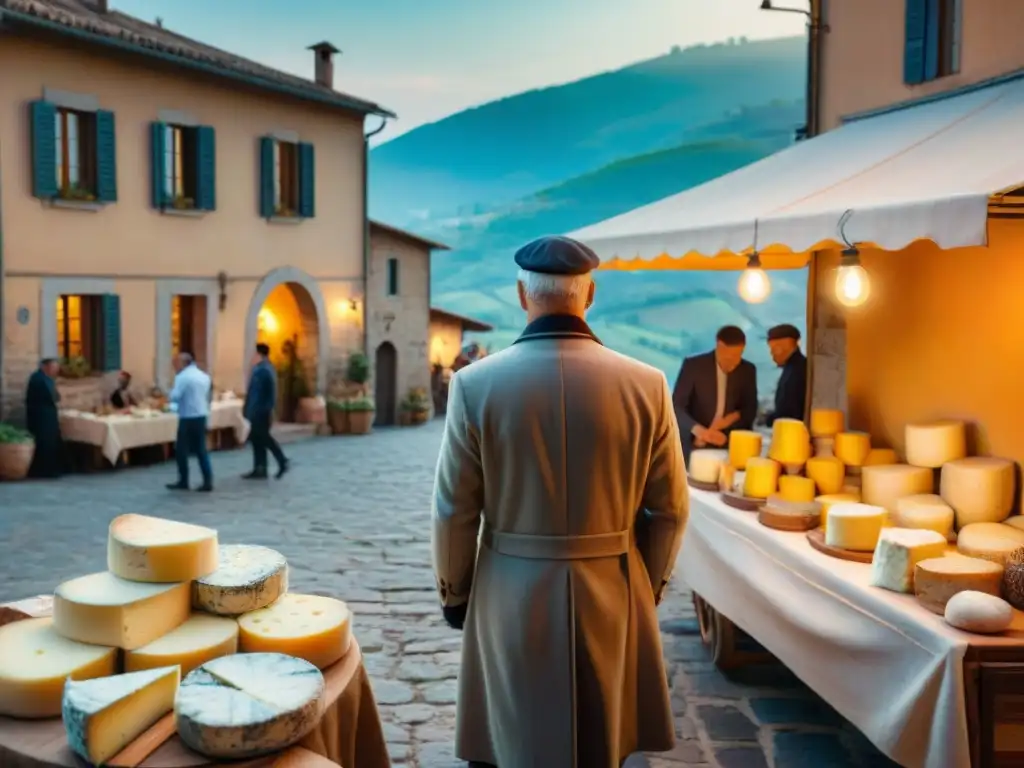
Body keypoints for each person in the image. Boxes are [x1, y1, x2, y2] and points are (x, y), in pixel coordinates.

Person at [431, 235, 688, 768]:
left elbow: (455, 511)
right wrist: (649, 585)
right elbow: (670, 510)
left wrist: (455, 594)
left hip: (510, 592)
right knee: (602, 743)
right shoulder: (648, 384)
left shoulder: (475, 386)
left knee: (514, 738)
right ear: (589, 294)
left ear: (522, 296)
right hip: (613, 587)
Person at [672, 325, 758, 463]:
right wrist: (699, 431)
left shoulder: (747, 370)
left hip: (729, 446)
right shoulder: (694, 366)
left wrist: (727, 429)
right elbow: (676, 407)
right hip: (694, 444)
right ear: (719, 346)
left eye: (738, 356)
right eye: (729, 357)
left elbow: (750, 409)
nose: (734, 363)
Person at [166, 352, 213, 492]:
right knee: (201, 450)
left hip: (187, 417)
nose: (174, 365)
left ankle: (183, 480)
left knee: (181, 450)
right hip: (201, 415)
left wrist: (169, 396)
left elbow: (175, 396)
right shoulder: (204, 376)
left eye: (176, 362)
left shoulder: (182, 377)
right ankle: (207, 480)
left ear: (183, 363)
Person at [243, 343, 289, 480]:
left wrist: (258, 409)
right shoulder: (265, 368)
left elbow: (261, 393)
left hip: (260, 411)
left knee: (263, 438)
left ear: (259, 354)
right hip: (259, 410)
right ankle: (260, 467)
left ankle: (282, 460)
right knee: (257, 440)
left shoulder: (263, 370)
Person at [25, 358, 65, 478]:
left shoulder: (48, 379)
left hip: (48, 416)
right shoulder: (38, 379)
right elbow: (50, 397)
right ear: (45, 367)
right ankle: (44, 471)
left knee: (51, 443)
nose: (56, 371)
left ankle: (51, 469)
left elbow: (57, 397)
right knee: (44, 443)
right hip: (41, 417)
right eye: (54, 368)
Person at [764, 323, 807, 426]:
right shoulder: (794, 368)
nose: (771, 354)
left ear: (786, 345)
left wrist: (768, 419)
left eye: (774, 348)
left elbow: (788, 412)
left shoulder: (796, 372)